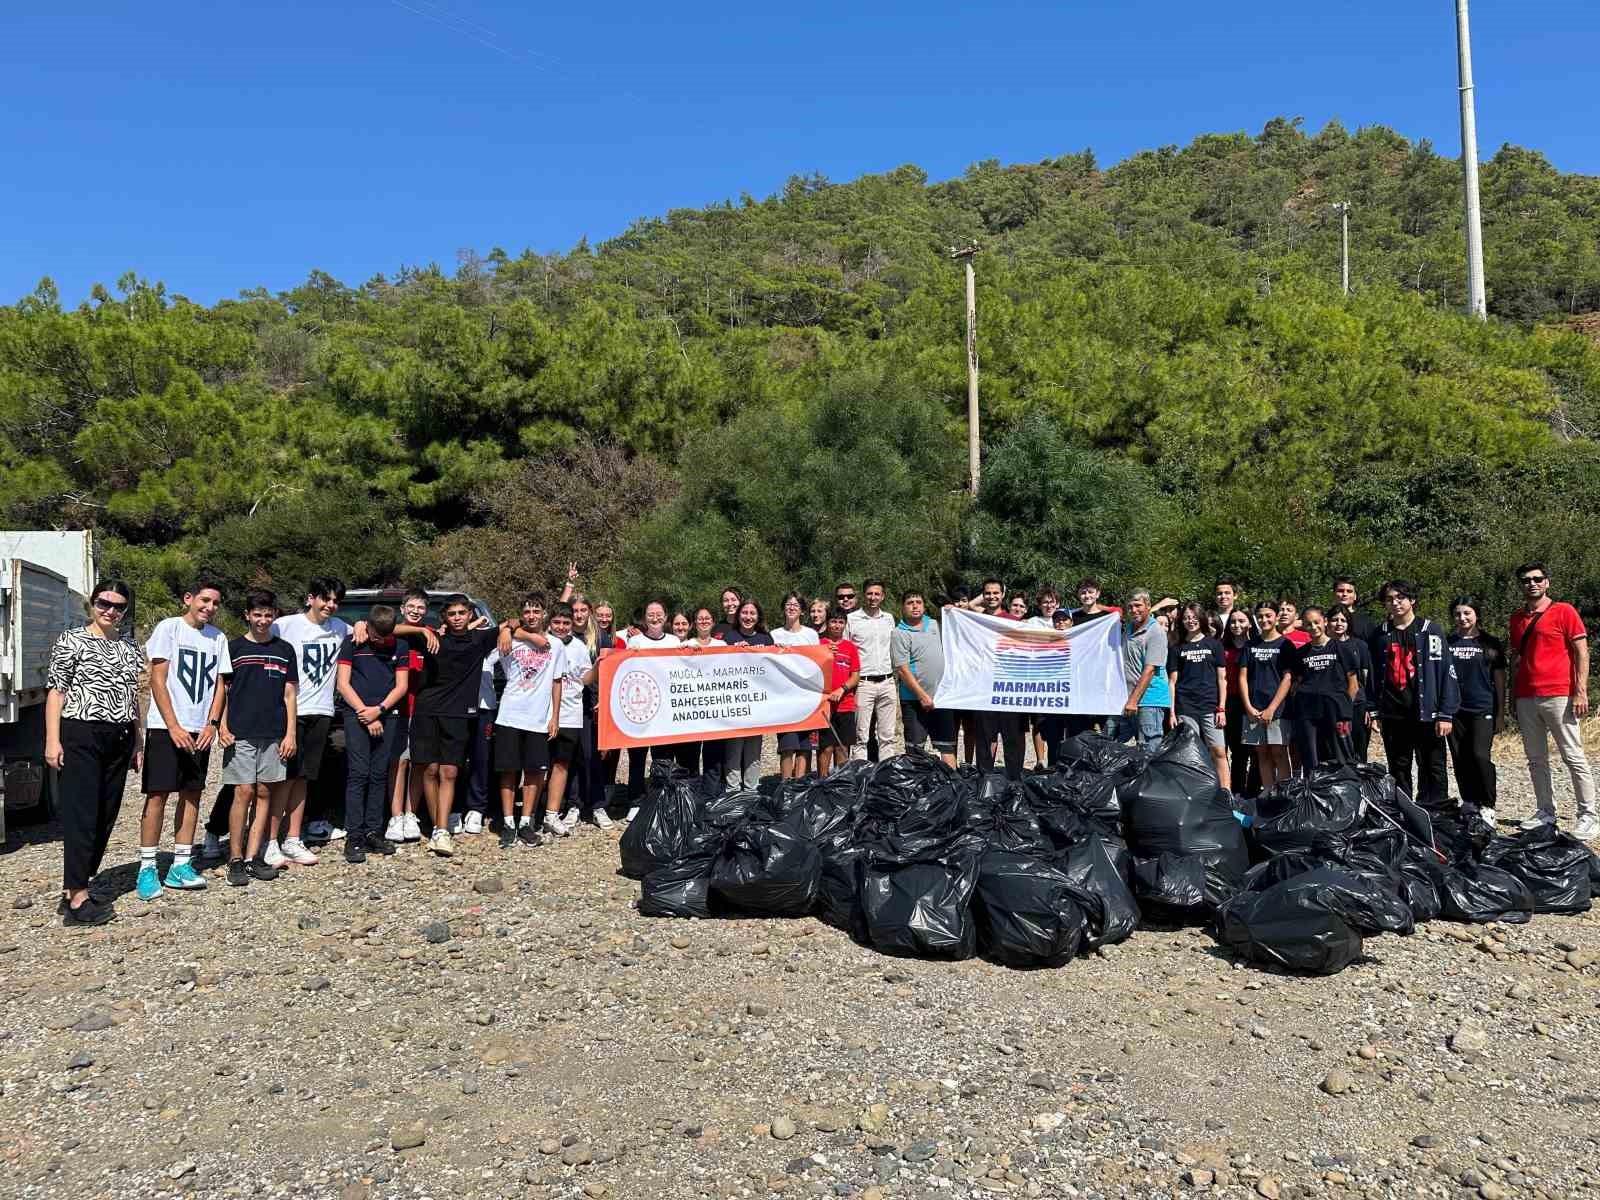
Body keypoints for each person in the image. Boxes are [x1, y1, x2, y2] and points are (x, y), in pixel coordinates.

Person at [44, 580, 145, 927]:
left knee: (106, 814)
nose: (110, 611)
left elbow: (132, 698)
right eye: (104, 603)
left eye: (118, 606)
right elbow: (56, 692)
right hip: (81, 732)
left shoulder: (131, 648)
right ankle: (76, 899)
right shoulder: (71, 641)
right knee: (82, 815)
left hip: (118, 736)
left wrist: (138, 741)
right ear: (92, 603)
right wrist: (52, 740)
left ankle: (75, 884)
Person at [137, 580, 232, 899]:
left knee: (192, 793)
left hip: (199, 729)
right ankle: (148, 866)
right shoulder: (169, 628)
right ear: (188, 599)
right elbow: (158, 680)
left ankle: (180, 863)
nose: (210, 607)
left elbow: (221, 684)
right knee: (157, 796)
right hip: (167, 728)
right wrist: (174, 725)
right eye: (204, 600)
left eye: (215, 603)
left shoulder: (218, 638)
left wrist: (212, 724)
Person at [394, 596, 505, 856]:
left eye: (461, 613)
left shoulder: (480, 639)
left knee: (450, 772)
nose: (457, 617)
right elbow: (391, 628)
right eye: (452, 614)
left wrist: (508, 632)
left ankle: (441, 829)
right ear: (444, 617)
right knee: (429, 770)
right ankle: (439, 827)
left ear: (469, 615)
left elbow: (515, 622)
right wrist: (422, 628)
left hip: (459, 715)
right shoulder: (432, 636)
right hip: (427, 710)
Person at [1507, 563, 1596, 838]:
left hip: (1559, 693)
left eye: (1537, 579)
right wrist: (1512, 695)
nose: (1531, 584)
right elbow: (1517, 659)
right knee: (1536, 759)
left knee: (1573, 755)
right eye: (1526, 580)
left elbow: (1581, 651)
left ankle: (1588, 815)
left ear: (1547, 582)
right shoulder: (1517, 618)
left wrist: (1580, 690)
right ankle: (1546, 811)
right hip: (1526, 695)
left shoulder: (1564, 611)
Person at [268, 577, 351, 864]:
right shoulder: (286, 625)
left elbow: (380, 628)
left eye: (335, 601)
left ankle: (292, 838)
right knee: (281, 778)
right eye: (325, 599)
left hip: (322, 711)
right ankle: (269, 840)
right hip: (289, 711)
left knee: (304, 777)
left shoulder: (341, 628)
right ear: (310, 598)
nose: (331, 605)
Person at [219, 589, 299, 884]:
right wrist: (222, 727)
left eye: (268, 615)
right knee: (243, 792)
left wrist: (290, 733)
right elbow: (222, 692)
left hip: (274, 733)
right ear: (247, 616)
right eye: (257, 615)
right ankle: (235, 858)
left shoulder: (285, 649)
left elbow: (290, 694)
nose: (263, 620)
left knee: (265, 792)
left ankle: (254, 857)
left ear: (274, 615)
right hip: (240, 732)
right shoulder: (233, 648)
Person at [1369, 580, 1459, 811]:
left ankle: (1435, 813)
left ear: (1412, 600)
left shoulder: (1430, 630)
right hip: (1393, 713)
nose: (1395, 603)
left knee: (1432, 764)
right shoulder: (1380, 634)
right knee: (1398, 766)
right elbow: (1373, 676)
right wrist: (1374, 709)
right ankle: (1404, 813)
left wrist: (1446, 713)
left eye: (1400, 597)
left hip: (1426, 712)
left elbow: (1446, 672)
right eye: (1389, 599)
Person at [333, 603, 408, 863]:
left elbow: (402, 686)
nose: (381, 641)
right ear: (369, 626)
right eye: (377, 636)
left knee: (379, 774)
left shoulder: (400, 646)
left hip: (387, 714)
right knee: (358, 773)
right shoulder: (353, 642)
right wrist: (366, 713)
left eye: (385, 637)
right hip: (356, 713)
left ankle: (374, 831)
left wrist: (380, 710)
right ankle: (354, 836)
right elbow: (343, 683)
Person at [490, 593, 562, 842]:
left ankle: (526, 821)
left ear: (544, 614)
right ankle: (508, 822)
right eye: (527, 612)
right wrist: (507, 630)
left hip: (538, 717)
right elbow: (487, 658)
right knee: (509, 770)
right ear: (521, 615)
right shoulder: (509, 639)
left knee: (534, 771)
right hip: (510, 714)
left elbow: (556, 681)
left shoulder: (555, 645)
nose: (531, 616)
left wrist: (555, 716)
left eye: (536, 611)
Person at [1447, 597, 1505, 830]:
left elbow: (1500, 679)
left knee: (1480, 756)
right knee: (1460, 758)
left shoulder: (1490, 643)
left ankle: (1488, 805)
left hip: (1482, 708)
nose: (1462, 618)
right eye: (1458, 614)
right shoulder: (1447, 642)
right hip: (1454, 710)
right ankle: (1469, 801)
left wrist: (1500, 713)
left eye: (1467, 613)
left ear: (1476, 615)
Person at [623, 600, 681, 819]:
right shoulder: (635, 641)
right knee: (637, 757)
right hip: (640, 710)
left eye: (659, 614)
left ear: (665, 617)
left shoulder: (675, 640)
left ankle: (660, 799)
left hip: (665, 710)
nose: (655, 617)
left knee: (663, 757)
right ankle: (636, 801)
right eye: (650, 614)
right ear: (645, 617)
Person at [1284, 606, 1359, 773]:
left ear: (1325, 621)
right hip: (1308, 712)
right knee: (1311, 756)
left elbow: (1353, 683)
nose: (1313, 627)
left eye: (1317, 622)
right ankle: (1314, 792)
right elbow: (1297, 681)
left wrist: (1345, 707)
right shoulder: (1301, 653)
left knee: (1341, 754)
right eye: (1308, 624)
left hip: (1337, 711)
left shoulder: (1341, 648)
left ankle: (1345, 790)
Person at [547, 602, 599, 833]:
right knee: (540, 765)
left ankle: (552, 812)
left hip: (570, 714)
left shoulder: (578, 647)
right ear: (550, 623)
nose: (561, 627)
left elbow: (585, 679)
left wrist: (597, 667)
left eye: (566, 623)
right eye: (556, 622)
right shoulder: (541, 642)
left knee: (562, 764)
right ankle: (535, 811)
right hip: (542, 713)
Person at [1167, 601, 1230, 788]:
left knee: (1218, 751)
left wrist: (1221, 708)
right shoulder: (1176, 648)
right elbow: (1172, 682)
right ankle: (1195, 794)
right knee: (1190, 753)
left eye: (1194, 617)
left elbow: (1222, 679)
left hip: (1211, 706)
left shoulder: (1214, 644)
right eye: (1186, 617)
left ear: (1201, 619)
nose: (1190, 621)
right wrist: (1172, 712)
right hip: (1186, 706)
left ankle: (1225, 794)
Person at [893, 591, 955, 767]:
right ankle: (916, 789)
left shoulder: (935, 624)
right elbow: (903, 670)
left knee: (947, 747)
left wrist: (954, 611)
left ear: (924, 606)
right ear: (903, 607)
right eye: (910, 602)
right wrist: (922, 696)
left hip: (941, 698)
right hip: (914, 701)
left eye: (918, 602)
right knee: (915, 750)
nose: (914, 605)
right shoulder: (899, 633)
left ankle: (953, 788)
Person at [1239, 600, 1294, 792]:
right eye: (1260, 616)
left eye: (1268, 615)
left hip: (1278, 709)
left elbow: (1288, 678)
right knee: (1261, 753)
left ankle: (1284, 795)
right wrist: (1248, 706)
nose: (1264, 620)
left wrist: (1272, 708)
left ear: (1277, 616)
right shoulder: (1250, 644)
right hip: (1253, 707)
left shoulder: (1285, 644)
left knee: (1279, 752)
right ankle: (1268, 794)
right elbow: (1243, 676)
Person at [722, 598, 775, 790]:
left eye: (752, 613)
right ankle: (733, 790)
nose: (748, 617)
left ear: (758, 616)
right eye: (744, 613)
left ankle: (751, 789)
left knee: (753, 749)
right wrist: (733, 651)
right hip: (735, 702)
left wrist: (765, 654)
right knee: (733, 749)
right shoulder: (729, 638)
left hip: (757, 703)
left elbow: (774, 670)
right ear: (738, 615)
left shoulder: (766, 639)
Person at [673, 605, 727, 787]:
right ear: (694, 623)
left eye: (707, 618)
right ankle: (691, 791)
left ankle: (712, 792)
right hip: (691, 709)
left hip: (715, 708)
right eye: (700, 618)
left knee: (714, 754)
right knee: (690, 754)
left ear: (713, 622)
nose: (704, 621)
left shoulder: (722, 646)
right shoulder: (685, 645)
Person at [1108, 589, 1169, 751]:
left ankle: (1152, 777)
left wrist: (1133, 701)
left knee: (1148, 749)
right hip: (1126, 698)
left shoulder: (1156, 632)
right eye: (1130, 607)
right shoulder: (1128, 628)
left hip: (1149, 700)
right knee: (1109, 738)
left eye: (1138, 605)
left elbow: (1149, 670)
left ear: (1148, 606)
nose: (1134, 610)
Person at [847, 580, 900, 762]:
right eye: (869, 593)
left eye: (877, 594)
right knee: (861, 736)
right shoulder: (852, 619)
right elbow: (846, 649)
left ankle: (886, 774)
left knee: (887, 736)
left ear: (882, 596)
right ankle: (861, 774)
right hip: (864, 683)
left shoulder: (889, 619)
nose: (873, 597)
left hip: (887, 681)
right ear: (864, 595)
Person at [771, 592, 820, 780]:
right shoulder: (774, 635)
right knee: (787, 745)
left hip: (807, 697)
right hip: (784, 699)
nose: (792, 607)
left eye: (796, 605)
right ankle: (785, 785)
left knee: (805, 746)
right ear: (784, 608)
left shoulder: (811, 635)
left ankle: (801, 785)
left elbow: (818, 664)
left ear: (802, 611)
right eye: (788, 604)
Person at [1065, 577, 1117, 739]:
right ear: (1078, 595)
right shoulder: (1072, 617)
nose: (1086, 595)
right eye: (1083, 592)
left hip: (1100, 677)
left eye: (1090, 592)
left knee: (1100, 723)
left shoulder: (1108, 618)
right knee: (1076, 723)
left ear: (1098, 594)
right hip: (1077, 677)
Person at [1328, 606, 1375, 763]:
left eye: (1343, 620)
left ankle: (1359, 785)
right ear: (1327, 622)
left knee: (1358, 750)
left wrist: (1369, 708)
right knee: (1333, 750)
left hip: (1357, 705)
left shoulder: (1360, 645)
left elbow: (1367, 677)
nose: (1339, 623)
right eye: (1335, 620)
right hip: (1330, 707)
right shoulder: (1323, 645)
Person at [818, 607, 860, 775]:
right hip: (824, 705)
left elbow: (855, 675)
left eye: (840, 622)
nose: (836, 625)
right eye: (833, 621)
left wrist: (842, 689)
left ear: (845, 625)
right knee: (825, 748)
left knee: (842, 748)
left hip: (845, 704)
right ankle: (822, 783)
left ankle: (840, 784)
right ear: (827, 623)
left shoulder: (850, 647)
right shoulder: (818, 644)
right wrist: (825, 654)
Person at [1220, 609, 1255, 793]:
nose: (1237, 625)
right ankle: (1227, 791)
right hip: (1228, 701)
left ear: (1250, 623)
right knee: (1225, 749)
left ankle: (1245, 791)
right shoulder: (1221, 647)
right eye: (1233, 621)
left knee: (1246, 751)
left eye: (1242, 621)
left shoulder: (1254, 646)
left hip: (1249, 702)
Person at [1332, 577, 1376, 643]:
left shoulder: (1366, 622)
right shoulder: (1324, 620)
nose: (1345, 594)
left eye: (1349, 591)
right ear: (1334, 594)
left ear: (1355, 596)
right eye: (1340, 591)